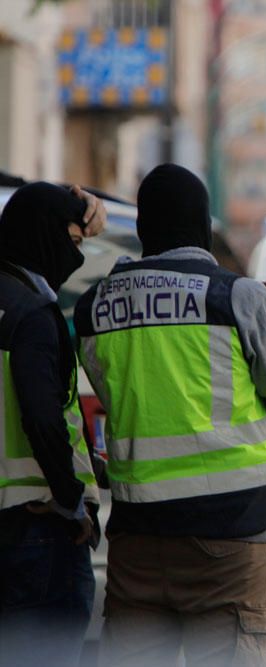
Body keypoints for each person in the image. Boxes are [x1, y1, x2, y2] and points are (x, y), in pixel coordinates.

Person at [73, 163, 266, 667]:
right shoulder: (239, 296)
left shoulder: (93, 308)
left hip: (138, 540)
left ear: (142, 230)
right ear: (203, 227)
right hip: (231, 541)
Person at [0, 181, 107, 667]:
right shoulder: (32, 315)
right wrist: (69, 501)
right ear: (46, 236)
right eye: (75, 243)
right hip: (33, 528)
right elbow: (42, 416)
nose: (77, 259)